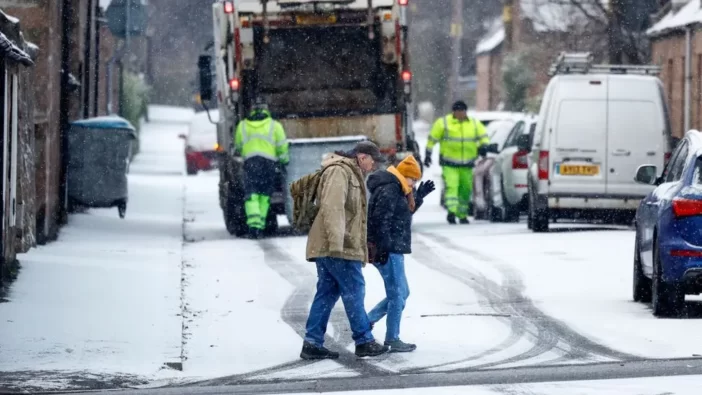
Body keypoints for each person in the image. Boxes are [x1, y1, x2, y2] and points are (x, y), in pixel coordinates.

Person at [300, 141, 390, 360]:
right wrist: (336, 244)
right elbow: (333, 208)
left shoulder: (350, 173)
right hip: (337, 247)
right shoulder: (340, 172)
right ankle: (364, 341)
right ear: (362, 157)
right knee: (354, 290)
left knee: (327, 293)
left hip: (334, 246)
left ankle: (312, 342)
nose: (374, 167)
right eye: (373, 161)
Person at [366, 155, 435, 352]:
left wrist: (418, 196)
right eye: (413, 180)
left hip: (392, 248)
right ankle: (392, 338)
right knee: (397, 294)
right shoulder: (390, 189)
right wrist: (384, 248)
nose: (413, 185)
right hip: (389, 250)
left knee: (402, 292)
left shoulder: (397, 188)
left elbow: (401, 214)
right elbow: (381, 221)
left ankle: (366, 321)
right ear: (404, 175)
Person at [424, 100, 489, 225]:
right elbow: (432, 138)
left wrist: (484, 146)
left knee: (465, 189)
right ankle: (452, 212)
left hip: (468, 164)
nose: (460, 114)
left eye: (462, 111)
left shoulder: (474, 124)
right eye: (458, 111)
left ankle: (462, 214)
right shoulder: (443, 123)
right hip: (449, 163)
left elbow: (483, 136)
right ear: (453, 112)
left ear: (465, 112)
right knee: (452, 186)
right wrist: (428, 154)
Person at [234, 97, 289, 239]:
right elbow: (282, 146)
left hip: (250, 163)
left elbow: (238, 146)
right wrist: (284, 160)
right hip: (268, 164)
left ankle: (253, 226)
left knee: (251, 195)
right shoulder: (274, 125)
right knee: (265, 196)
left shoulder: (242, 126)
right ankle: (260, 226)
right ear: (267, 110)